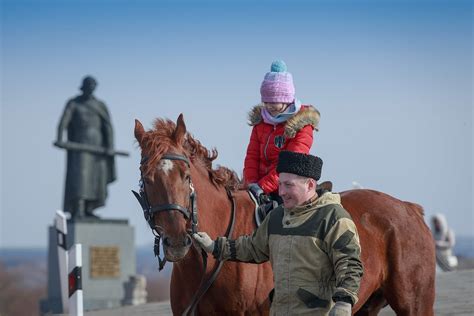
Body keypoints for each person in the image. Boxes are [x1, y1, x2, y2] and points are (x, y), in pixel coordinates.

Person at [194, 151, 364, 316]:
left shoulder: (333, 218)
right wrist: (214, 246)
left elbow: (350, 264)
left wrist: (344, 302)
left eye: (288, 185)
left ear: (310, 185)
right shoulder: (276, 217)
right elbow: (252, 247)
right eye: (280, 184)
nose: (281, 191)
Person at [244, 60, 320, 207]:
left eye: (274, 102)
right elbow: (252, 156)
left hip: (287, 186)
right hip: (257, 188)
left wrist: (263, 187)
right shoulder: (261, 122)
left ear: (286, 100)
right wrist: (251, 184)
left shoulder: (302, 125)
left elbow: (290, 163)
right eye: (266, 102)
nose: (269, 106)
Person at [55, 76, 116, 219]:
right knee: (81, 178)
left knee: (97, 179)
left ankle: (90, 208)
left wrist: (110, 146)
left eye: (93, 86)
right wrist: (59, 138)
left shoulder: (100, 105)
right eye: (89, 86)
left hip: (98, 147)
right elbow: (63, 121)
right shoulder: (74, 103)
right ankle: (79, 208)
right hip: (80, 146)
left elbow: (108, 127)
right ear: (83, 87)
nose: (91, 89)